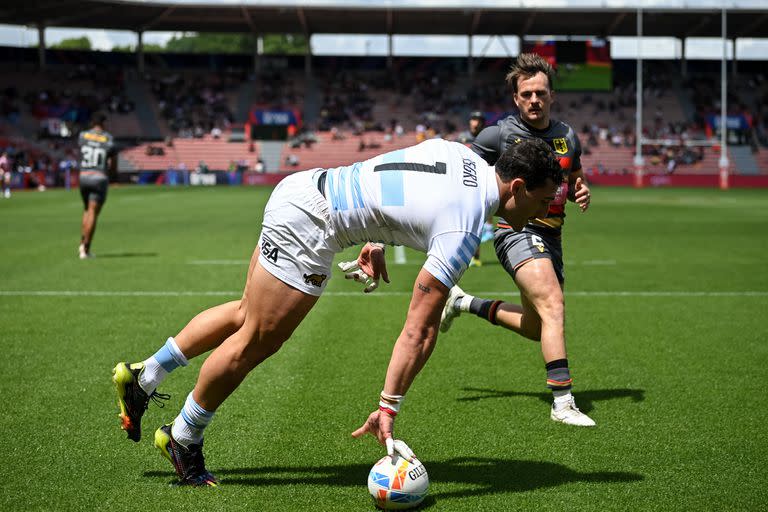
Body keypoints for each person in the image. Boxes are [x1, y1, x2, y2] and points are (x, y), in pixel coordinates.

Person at [112, 137, 563, 487]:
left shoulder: (461, 155)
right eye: (543, 201)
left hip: (306, 189)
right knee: (257, 339)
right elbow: (420, 330)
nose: (546, 212)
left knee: (247, 312)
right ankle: (183, 437)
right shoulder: (466, 226)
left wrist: (376, 237)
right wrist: (388, 407)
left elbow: (398, 181)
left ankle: (145, 376)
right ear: (517, 186)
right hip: (312, 225)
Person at [440, 53, 595, 427]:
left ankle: (464, 303)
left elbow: (574, 178)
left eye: (540, 93)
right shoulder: (497, 135)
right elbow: (464, 175)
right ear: (516, 98)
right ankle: (563, 402)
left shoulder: (567, 136)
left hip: (553, 237)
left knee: (537, 325)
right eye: (526, 94)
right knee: (553, 306)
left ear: (552, 95)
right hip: (516, 230)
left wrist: (581, 190)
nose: (533, 100)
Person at [455, 111, 492, 266]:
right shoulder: (461, 138)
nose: (475, 123)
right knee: (463, 223)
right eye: (473, 119)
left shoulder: (488, 138)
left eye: (478, 120)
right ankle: (464, 255)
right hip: (462, 185)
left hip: (481, 184)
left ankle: (475, 256)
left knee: (477, 222)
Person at [77, 111, 115, 259]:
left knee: (86, 210)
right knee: (93, 212)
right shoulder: (108, 139)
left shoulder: (82, 136)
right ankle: (86, 249)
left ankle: (81, 244)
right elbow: (111, 162)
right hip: (99, 177)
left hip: (83, 176)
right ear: (103, 123)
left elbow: (81, 152)